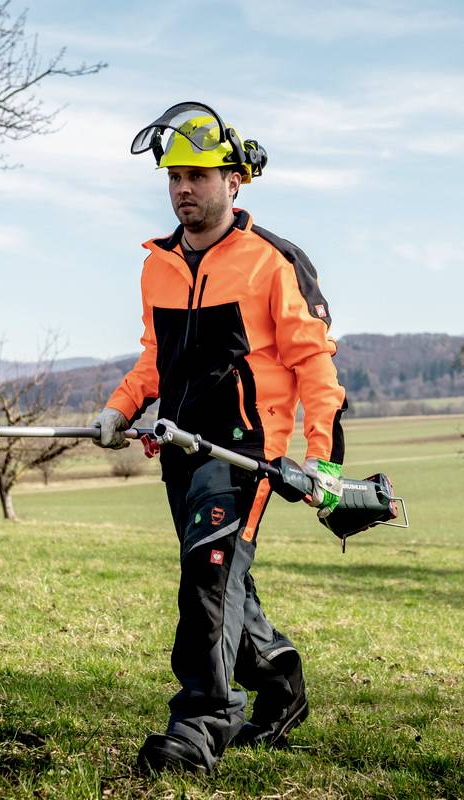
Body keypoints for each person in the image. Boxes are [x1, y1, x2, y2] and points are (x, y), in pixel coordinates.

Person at [93, 101, 348, 775]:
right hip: (180, 453)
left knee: (207, 580)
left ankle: (200, 727)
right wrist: (121, 408)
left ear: (234, 181)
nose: (184, 188)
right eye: (175, 175)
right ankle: (280, 677)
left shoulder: (272, 263)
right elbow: (157, 357)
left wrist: (320, 458)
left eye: (199, 175)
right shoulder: (158, 265)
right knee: (223, 578)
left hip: (244, 456)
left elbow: (314, 365)